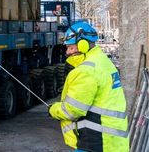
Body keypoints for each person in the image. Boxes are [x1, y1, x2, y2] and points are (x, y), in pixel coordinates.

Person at [49, 20, 129, 151]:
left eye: (71, 47)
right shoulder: (103, 62)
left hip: (96, 141)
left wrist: (53, 109)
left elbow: (72, 111)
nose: (67, 52)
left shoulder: (86, 71)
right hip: (113, 141)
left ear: (83, 45)